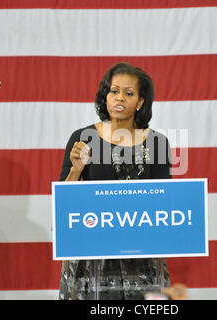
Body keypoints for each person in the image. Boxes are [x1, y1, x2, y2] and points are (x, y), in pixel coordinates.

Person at [58, 62, 172, 300]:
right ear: (105, 96)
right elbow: (63, 205)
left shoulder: (157, 143)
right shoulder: (82, 138)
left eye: (129, 93)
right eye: (114, 91)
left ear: (140, 101)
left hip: (141, 257)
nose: (120, 98)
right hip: (91, 258)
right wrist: (75, 171)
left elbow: (166, 203)